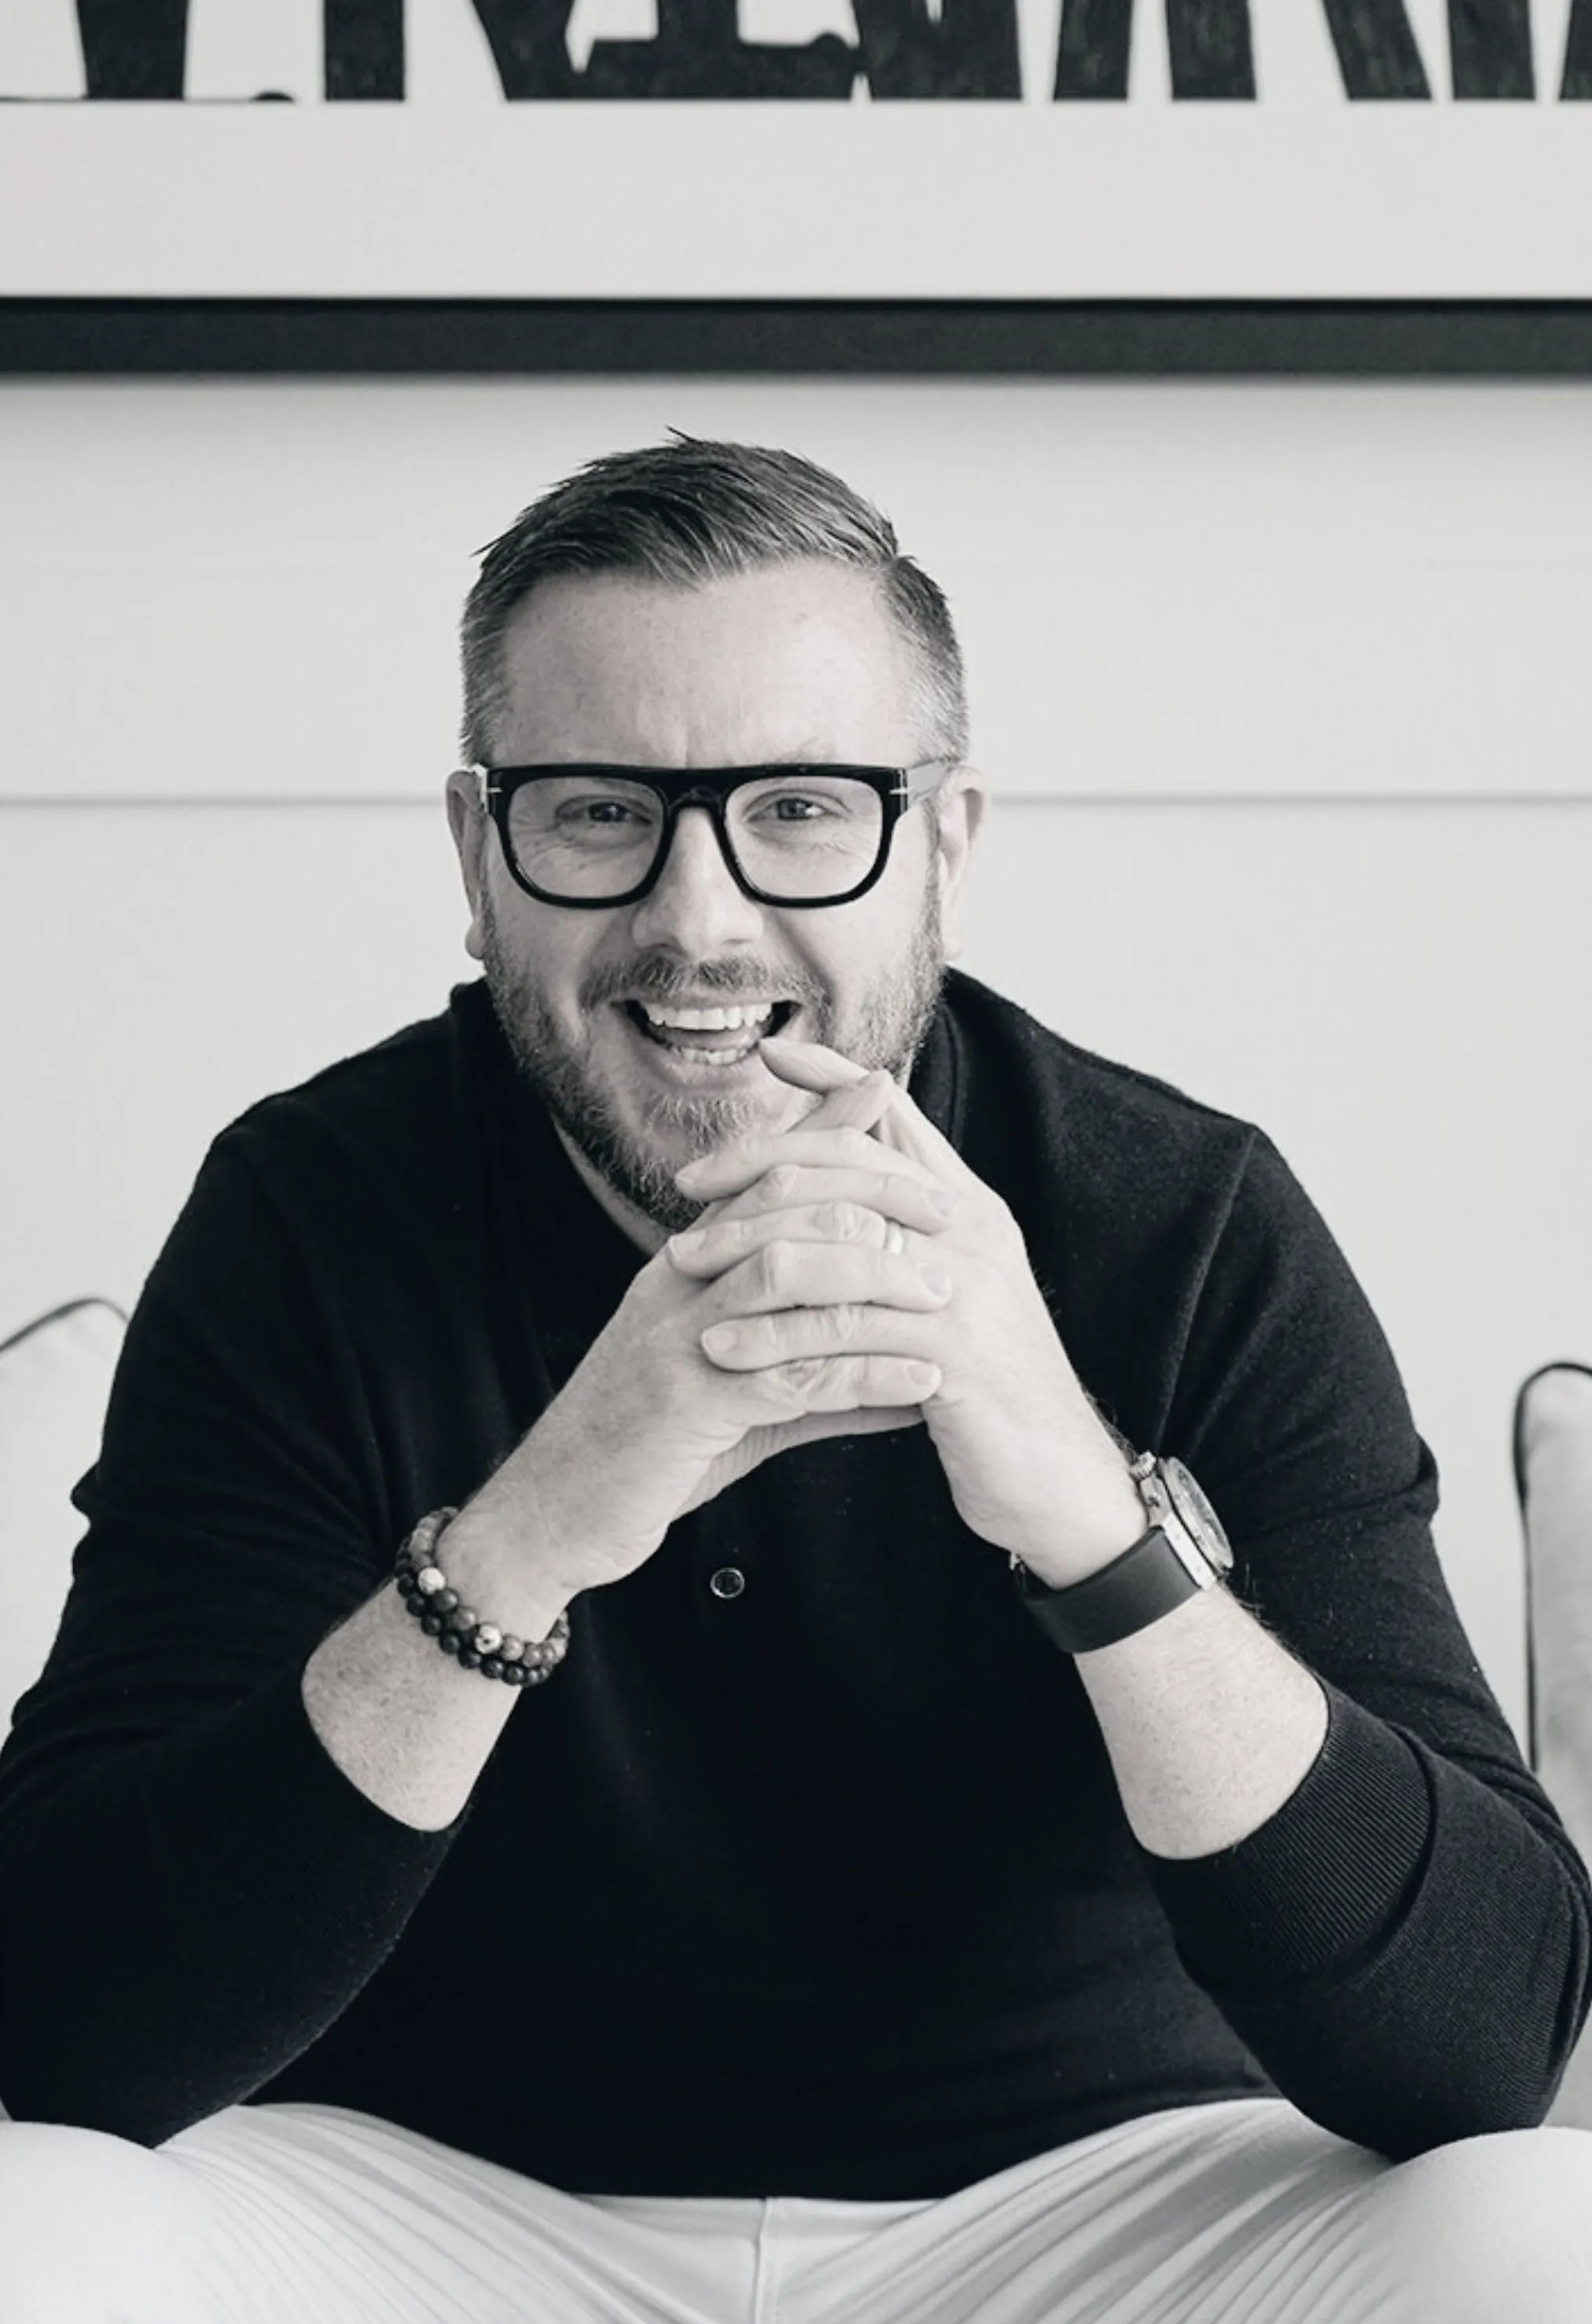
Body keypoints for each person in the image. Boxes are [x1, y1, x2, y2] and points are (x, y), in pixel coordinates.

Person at [0, 436, 1589, 2324]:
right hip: (431, 2194)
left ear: (946, 844)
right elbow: (68, 2024)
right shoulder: (309, 1212)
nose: (700, 919)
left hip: (1102, 2195)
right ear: (473, 853)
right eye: (598, 811)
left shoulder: (1185, 1217)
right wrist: (531, 1534)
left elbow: (1486, 2043)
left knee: (1534, 2240)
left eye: (804, 810)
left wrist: (1085, 1518)